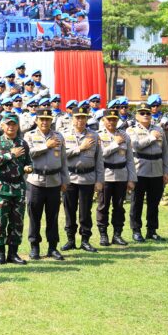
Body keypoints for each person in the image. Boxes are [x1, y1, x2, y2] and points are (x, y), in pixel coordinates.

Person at [0, 112, 32, 265]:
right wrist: (10, 154)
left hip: (19, 187)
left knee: (17, 222)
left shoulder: (23, 143)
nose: (11, 127)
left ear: (18, 126)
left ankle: (13, 254)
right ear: (2, 126)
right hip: (1, 187)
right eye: (8, 124)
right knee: (0, 221)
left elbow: (28, 161)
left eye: (14, 124)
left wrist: (28, 167)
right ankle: (0, 254)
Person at [25, 108, 69, 260]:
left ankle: (53, 247)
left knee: (53, 216)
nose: (45, 122)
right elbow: (28, 153)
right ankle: (34, 247)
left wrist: (65, 180)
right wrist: (46, 146)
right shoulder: (29, 136)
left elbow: (63, 161)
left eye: (48, 119)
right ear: (36, 120)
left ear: (51, 121)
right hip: (35, 181)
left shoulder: (59, 136)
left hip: (54, 181)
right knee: (34, 216)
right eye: (42, 119)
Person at [62, 104, 104, 252]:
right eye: (77, 117)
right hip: (70, 178)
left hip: (88, 178)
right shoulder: (63, 135)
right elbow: (61, 156)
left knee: (85, 212)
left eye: (83, 117)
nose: (80, 120)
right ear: (72, 118)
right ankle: (70, 240)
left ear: (87, 119)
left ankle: (85, 240)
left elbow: (99, 160)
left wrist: (99, 180)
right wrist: (80, 148)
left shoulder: (94, 136)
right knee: (69, 211)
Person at [127, 102, 168, 242]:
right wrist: (151, 137)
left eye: (148, 113)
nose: (145, 115)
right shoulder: (131, 130)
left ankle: (151, 230)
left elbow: (165, 152)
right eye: (142, 113)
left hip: (157, 171)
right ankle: (136, 230)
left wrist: (166, 171)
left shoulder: (159, 129)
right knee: (137, 202)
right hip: (140, 170)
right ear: (136, 116)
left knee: (154, 203)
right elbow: (136, 146)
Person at [96, 108, 136, 246]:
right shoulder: (98, 136)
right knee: (103, 207)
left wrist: (131, 178)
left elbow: (130, 159)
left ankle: (117, 235)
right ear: (103, 120)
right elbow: (99, 156)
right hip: (105, 176)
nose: (112, 122)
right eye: (109, 119)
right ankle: (103, 235)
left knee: (119, 207)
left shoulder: (125, 135)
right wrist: (115, 144)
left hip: (121, 175)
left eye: (114, 119)